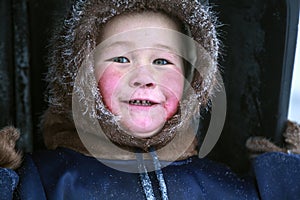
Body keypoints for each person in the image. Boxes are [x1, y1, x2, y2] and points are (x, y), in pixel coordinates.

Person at [0, 0, 300, 199]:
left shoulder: (223, 185)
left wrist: (285, 176)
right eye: (120, 58)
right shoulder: (42, 182)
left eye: (162, 61)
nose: (144, 77)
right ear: (81, 75)